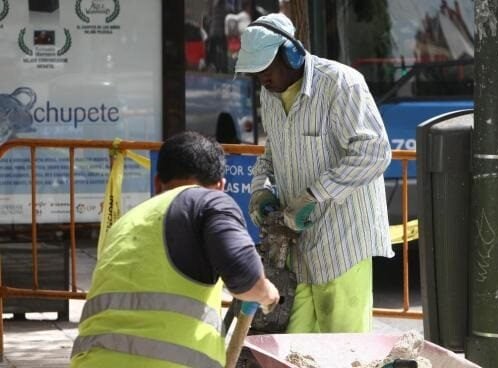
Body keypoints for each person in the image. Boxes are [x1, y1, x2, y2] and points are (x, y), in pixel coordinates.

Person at [235, 13, 394, 334]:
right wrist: (261, 190)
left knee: (343, 348)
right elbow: (271, 155)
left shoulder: (340, 84)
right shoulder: (269, 96)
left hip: (343, 244)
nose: (260, 78)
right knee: (294, 349)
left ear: (291, 53)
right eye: (254, 71)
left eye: (265, 67)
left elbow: (375, 151)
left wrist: (315, 195)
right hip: (297, 251)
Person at [69, 131, 280, 367]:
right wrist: (267, 294)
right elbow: (246, 280)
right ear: (220, 186)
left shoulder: (125, 224)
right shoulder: (210, 201)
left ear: (158, 183)